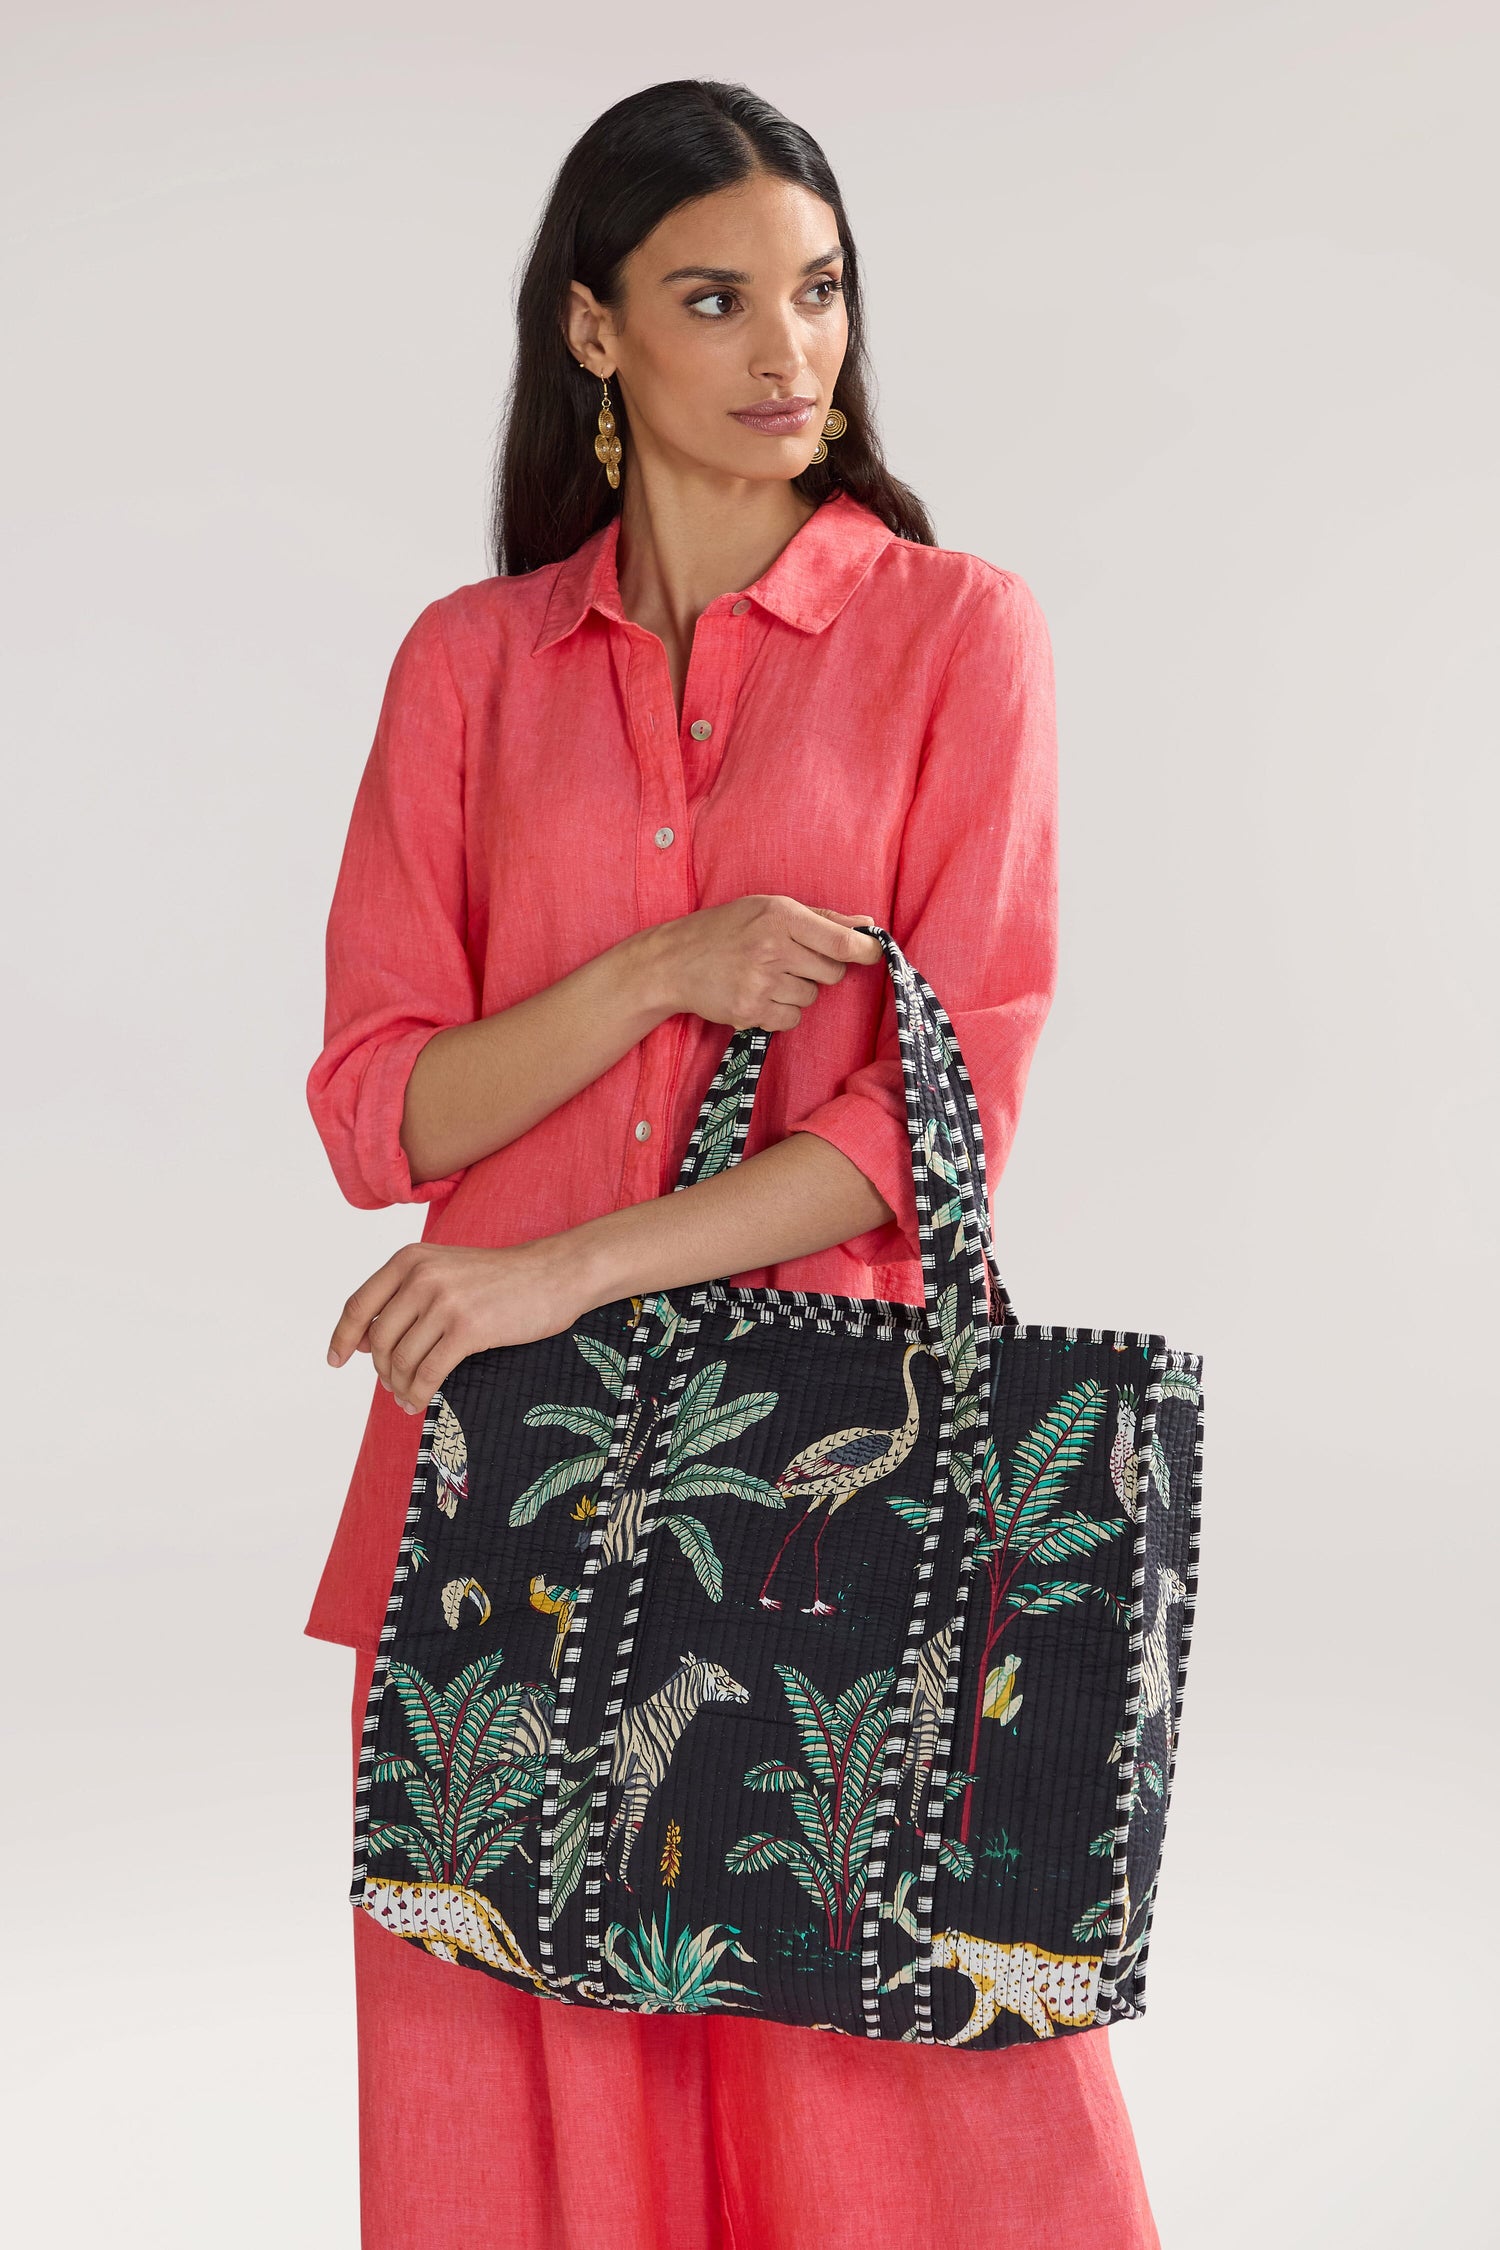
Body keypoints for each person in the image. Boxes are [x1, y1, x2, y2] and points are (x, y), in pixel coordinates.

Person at [304, 76, 1161, 2250]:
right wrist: (651, 971)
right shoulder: (471, 667)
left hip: (841, 1472)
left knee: (917, 2089)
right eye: (716, 298)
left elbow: (921, 1117)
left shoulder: (959, 633)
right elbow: (378, 1109)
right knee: (514, 2095)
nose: (793, 352)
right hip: (497, 1476)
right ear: (595, 331)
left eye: (822, 291)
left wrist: (565, 1268)